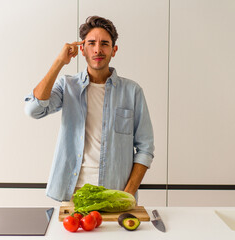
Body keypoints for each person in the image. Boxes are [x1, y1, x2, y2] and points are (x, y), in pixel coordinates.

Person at [24, 16, 154, 202]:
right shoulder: (67, 86)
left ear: (114, 50)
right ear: (82, 49)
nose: (98, 49)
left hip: (115, 194)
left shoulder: (132, 91)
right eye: (91, 43)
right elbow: (33, 109)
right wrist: (59, 62)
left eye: (104, 44)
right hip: (73, 192)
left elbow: (145, 148)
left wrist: (127, 194)